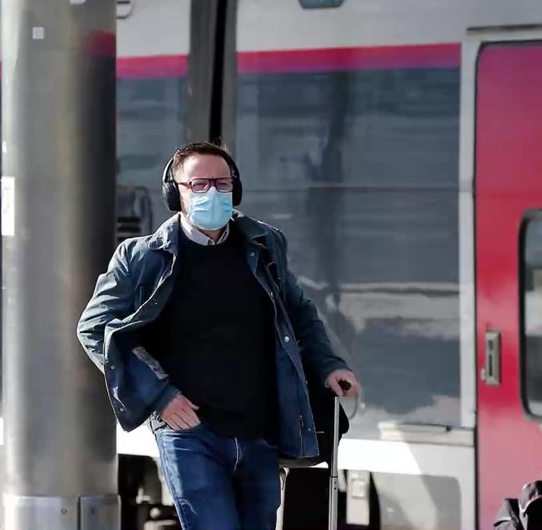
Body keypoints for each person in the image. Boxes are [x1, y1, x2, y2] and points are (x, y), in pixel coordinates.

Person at [78, 142, 360, 530]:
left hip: (260, 428)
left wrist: (329, 366)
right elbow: (94, 327)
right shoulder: (141, 257)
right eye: (198, 184)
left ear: (236, 189)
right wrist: (159, 396)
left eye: (222, 183)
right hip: (190, 432)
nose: (212, 192)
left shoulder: (264, 245)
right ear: (174, 192)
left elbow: (298, 313)